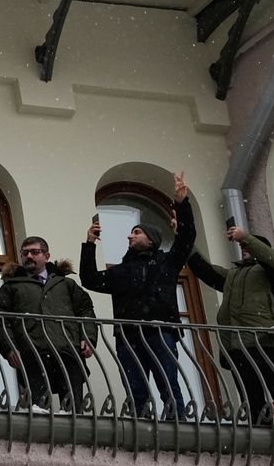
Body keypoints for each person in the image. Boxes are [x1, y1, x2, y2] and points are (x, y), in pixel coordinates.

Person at [80, 172, 194, 421]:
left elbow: (186, 240)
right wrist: (89, 244)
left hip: (160, 331)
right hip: (128, 335)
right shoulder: (120, 271)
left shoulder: (166, 262)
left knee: (168, 383)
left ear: (151, 239)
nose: (130, 236)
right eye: (131, 233)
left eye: (137, 232)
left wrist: (182, 204)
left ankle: (178, 421)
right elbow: (89, 280)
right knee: (135, 389)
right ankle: (139, 424)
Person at [187, 226, 274, 424]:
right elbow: (204, 269)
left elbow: (273, 260)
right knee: (250, 396)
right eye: (243, 246)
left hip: (265, 340)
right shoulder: (233, 275)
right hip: (237, 344)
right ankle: (260, 436)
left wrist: (245, 237)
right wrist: (184, 238)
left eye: (247, 246)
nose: (243, 248)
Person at [0, 237, 96, 412]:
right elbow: (0, 320)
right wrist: (9, 347)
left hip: (68, 350)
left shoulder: (65, 283)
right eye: (25, 253)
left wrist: (88, 337)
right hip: (32, 352)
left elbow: (86, 310)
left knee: (74, 412)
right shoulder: (11, 286)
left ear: (46, 255)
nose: (29, 256)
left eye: (35, 252)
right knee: (38, 411)